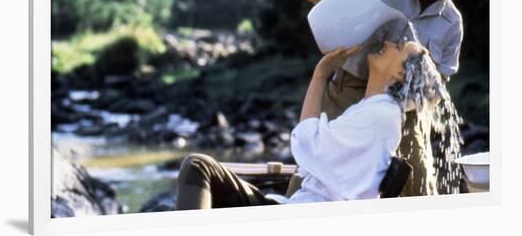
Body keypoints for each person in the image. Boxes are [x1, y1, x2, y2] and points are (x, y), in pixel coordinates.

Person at [302, 0, 487, 196]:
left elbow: (435, 92)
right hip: (347, 92)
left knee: (419, 193)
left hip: (403, 112)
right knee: (314, 178)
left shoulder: (451, 24)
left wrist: (392, 106)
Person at [175, 40, 441, 210]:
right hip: (299, 205)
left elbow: (307, 143)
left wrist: (320, 74)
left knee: (198, 167)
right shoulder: (373, 111)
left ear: (400, 73)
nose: (389, 42)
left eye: (399, 46)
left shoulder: (381, 116)